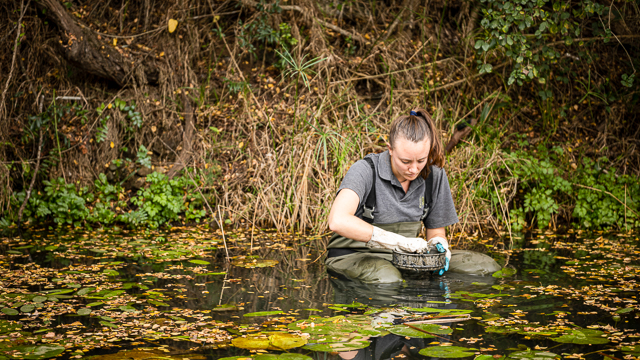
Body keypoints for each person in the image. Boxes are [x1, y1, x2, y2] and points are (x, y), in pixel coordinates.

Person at [326, 108, 459, 283]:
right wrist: (399, 242)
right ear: (390, 149)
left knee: (481, 267)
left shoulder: (434, 175)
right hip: (354, 256)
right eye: (405, 161)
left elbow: (436, 231)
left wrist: (439, 248)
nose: (413, 169)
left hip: (405, 259)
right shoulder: (365, 170)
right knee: (387, 278)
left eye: (421, 160)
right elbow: (337, 220)